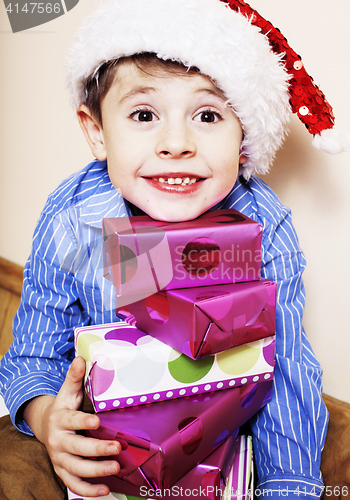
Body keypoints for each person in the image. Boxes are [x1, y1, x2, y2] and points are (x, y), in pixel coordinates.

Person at [1, 0, 348, 498]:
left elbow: (288, 371)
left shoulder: (262, 225)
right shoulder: (77, 217)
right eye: (144, 114)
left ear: (244, 137)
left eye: (207, 115)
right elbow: (32, 354)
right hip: (110, 455)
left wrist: (288, 487)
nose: (176, 142)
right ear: (97, 131)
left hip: (222, 457)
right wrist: (45, 416)